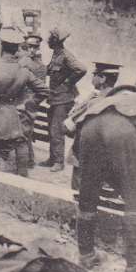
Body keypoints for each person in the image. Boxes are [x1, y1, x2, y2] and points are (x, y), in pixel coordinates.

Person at [70, 86, 136, 272]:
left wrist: (105, 179)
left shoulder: (101, 103)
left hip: (88, 128)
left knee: (88, 195)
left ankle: (86, 255)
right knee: (135, 198)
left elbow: (78, 149)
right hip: (122, 130)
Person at [0, 28, 49, 177]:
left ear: (1, 47)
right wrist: (26, 104)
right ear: (16, 49)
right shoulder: (24, 71)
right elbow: (44, 91)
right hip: (12, 118)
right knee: (5, 154)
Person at [65, 62, 121, 191]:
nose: (93, 77)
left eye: (95, 74)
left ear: (103, 79)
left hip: (84, 151)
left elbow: (69, 126)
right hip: (108, 156)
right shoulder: (118, 100)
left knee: (79, 190)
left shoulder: (94, 102)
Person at [41, 29, 86, 172]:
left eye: (50, 38)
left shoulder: (66, 55)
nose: (48, 40)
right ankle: (52, 159)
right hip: (55, 98)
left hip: (64, 99)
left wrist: (67, 83)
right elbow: (49, 70)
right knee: (51, 129)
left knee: (57, 130)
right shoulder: (56, 54)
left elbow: (81, 69)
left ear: (56, 40)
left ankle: (59, 162)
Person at [19, 34, 47, 168]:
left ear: (38, 48)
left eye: (34, 47)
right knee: (23, 131)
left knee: (25, 132)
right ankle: (28, 160)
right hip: (18, 99)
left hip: (28, 102)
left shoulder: (40, 66)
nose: (31, 50)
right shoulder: (21, 60)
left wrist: (32, 102)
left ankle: (26, 161)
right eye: (28, 46)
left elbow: (42, 90)